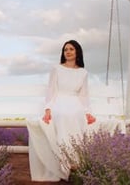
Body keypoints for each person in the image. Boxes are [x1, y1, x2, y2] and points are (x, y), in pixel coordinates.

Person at [27, 39, 96, 182]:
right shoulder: (56, 69)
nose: (68, 52)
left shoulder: (83, 72)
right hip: (59, 101)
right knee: (63, 116)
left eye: (71, 49)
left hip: (75, 102)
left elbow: (84, 94)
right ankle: (64, 164)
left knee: (77, 116)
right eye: (66, 49)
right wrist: (48, 110)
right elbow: (52, 91)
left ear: (77, 52)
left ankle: (76, 162)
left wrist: (88, 112)